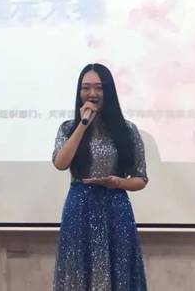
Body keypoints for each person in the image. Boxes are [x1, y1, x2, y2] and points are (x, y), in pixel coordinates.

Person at [52, 63, 148, 291]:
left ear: (109, 91)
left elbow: (141, 178)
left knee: (118, 272)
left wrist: (118, 183)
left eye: (99, 87)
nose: (92, 93)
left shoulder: (127, 130)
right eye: (86, 88)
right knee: (79, 271)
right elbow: (60, 163)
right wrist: (83, 125)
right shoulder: (68, 128)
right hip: (79, 209)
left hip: (115, 208)